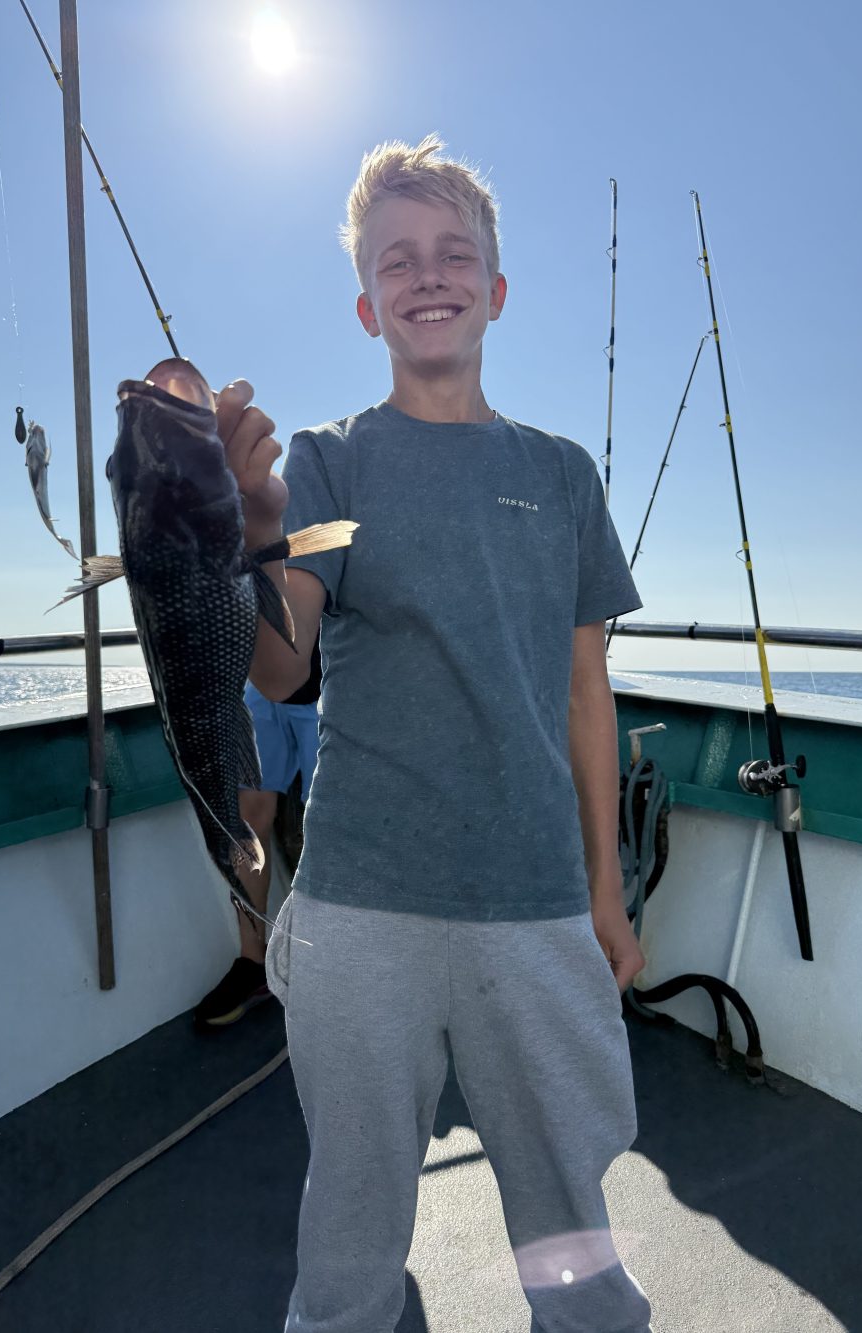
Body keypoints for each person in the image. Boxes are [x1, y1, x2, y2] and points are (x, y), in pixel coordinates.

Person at [217, 136, 653, 1333]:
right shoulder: (325, 461)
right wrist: (254, 527)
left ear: (497, 290)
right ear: (367, 305)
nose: (429, 275)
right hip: (360, 910)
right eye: (396, 260)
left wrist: (604, 892)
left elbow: (585, 693)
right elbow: (276, 657)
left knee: (571, 1227)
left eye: (455, 253)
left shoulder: (562, 475)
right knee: (353, 1229)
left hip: (537, 903)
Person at [193, 641, 321, 1028]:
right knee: (246, 819)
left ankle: (344, 958)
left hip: (335, 681)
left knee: (335, 821)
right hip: (263, 686)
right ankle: (254, 963)